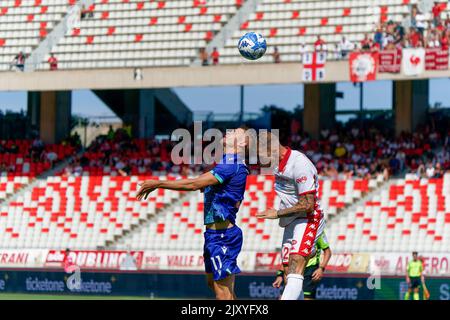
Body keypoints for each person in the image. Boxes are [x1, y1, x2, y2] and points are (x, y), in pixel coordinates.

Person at [137, 128, 250, 300]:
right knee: (214, 284)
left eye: (236, 132)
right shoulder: (227, 164)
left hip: (223, 236)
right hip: (214, 234)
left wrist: (159, 183)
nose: (230, 131)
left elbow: (193, 184)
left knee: (222, 294)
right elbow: (203, 184)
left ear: (243, 142)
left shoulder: (231, 164)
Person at [256, 132, 326, 300]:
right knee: (288, 272)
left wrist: (277, 213)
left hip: (308, 218)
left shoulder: (299, 163)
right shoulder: (276, 163)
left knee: (296, 264)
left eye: (261, 156)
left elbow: (308, 204)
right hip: (290, 220)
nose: (260, 161)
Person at [273, 232, 332, 300]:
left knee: (306, 298)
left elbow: (328, 252)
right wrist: (280, 274)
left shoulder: (317, 231)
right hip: (294, 269)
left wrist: (321, 268)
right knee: (286, 296)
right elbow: (287, 256)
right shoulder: (295, 230)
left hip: (310, 271)